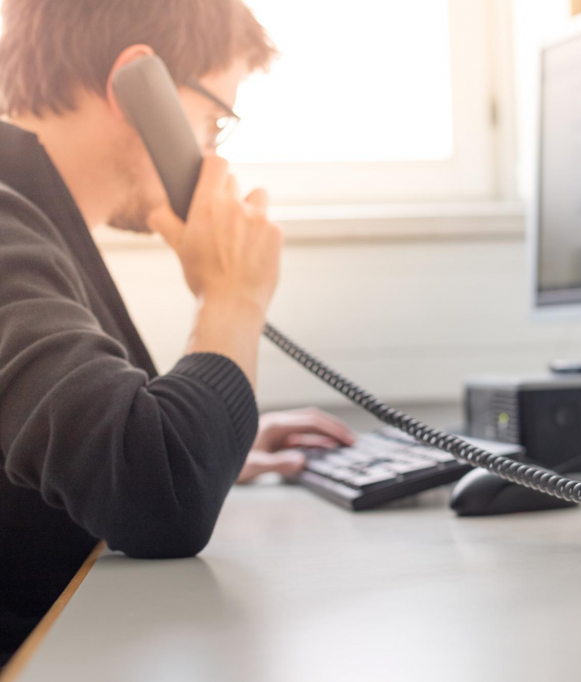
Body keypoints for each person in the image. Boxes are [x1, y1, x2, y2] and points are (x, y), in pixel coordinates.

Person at [0, 0, 355, 664]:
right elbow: (158, 495)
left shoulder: (36, 224)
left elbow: (93, 452)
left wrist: (212, 438)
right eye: (214, 121)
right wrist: (233, 297)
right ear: (139, 87)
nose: (213, 151)